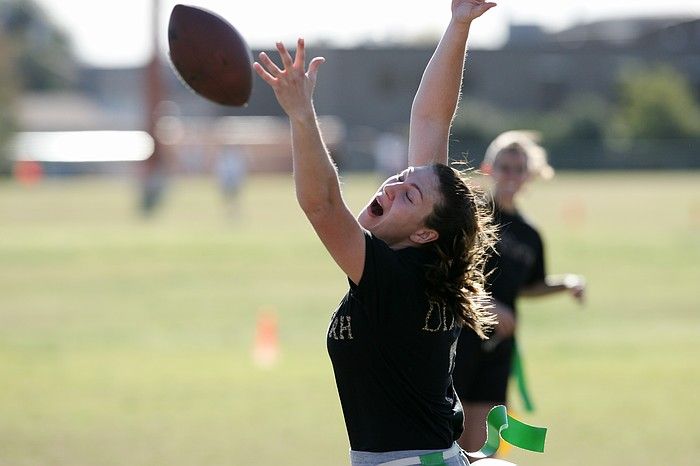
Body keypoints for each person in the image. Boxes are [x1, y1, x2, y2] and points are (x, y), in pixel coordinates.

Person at [253, 1, 497, 464]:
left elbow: (322, 206)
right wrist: (458, 24)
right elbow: (429, 121)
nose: (396, 185)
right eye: (403, 176)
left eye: (409, 196)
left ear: (425, 233)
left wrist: (303, 116)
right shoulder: (427, 259)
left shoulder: (397, 279)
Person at [451, 130, 587, 457]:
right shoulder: (472, 214)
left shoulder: (530, 234)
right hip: (459, 337)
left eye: (519, 168)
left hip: (498, 344)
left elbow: (528, 286)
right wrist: (486, 303)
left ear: (530, 175)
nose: (511, 175)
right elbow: (448, 271)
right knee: (451, 438)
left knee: (486, 445)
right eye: (505, 166)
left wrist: (564, 283)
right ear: (489, 169)